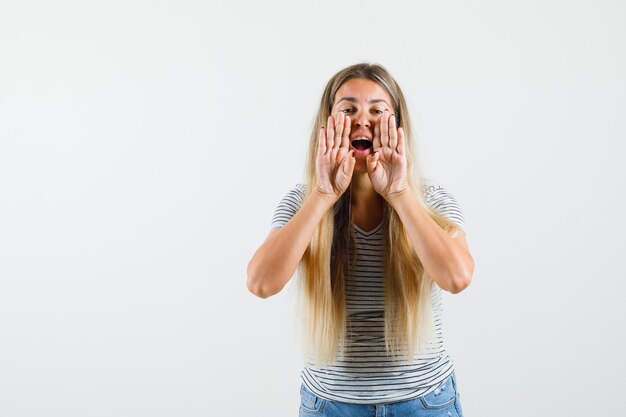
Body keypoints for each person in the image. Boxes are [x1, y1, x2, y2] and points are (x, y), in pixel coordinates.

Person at [247, 63, 474, 417]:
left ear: (397, 126)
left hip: (424, 402)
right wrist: (323, 194)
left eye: (377, 110)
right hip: (330, 406)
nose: (362, 120)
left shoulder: (432, 200)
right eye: (348, 109)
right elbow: (261, 283)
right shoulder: (302, 202)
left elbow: (457, 278)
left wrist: (399, 194)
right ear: (328, 123)